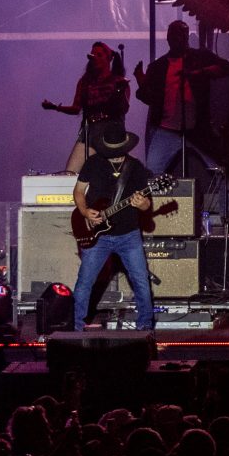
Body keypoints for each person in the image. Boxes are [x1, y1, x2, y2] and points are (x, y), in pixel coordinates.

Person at [136, 21, 229, 213]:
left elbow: (226, 68)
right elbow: (150, 99)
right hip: (167, 130)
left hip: (197, 129)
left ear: (186, 37)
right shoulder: (158, 66)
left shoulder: (200, 57)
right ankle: (152, 214)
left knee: (219, 168)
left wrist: (200, 73)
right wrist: (141, 81)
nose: (177, 39)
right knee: (152, 170)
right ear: (168, 38)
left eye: (181, 34)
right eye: (173, 35)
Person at [71, 120, 160, 331]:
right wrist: (85, 212)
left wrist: (142, 203)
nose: (116, 155)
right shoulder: (93, 163)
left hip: (129, 235)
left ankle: (145, 328)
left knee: (141, 282)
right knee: (84, 283)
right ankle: (76, 329)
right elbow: (78, 192)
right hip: (98, 237)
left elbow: (147, 204)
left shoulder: (135, 167)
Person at [42, 42, 133, 174]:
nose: (95, 58)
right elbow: (76, 108)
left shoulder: (118, 81)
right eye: (93, 55)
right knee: (70, 172)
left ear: (108, 58)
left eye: (99, 55)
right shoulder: (85, 82)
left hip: (112, 134)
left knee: (116, 173)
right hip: (90, 131)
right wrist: (56, 107)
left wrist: (120, 91)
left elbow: (124, 109)